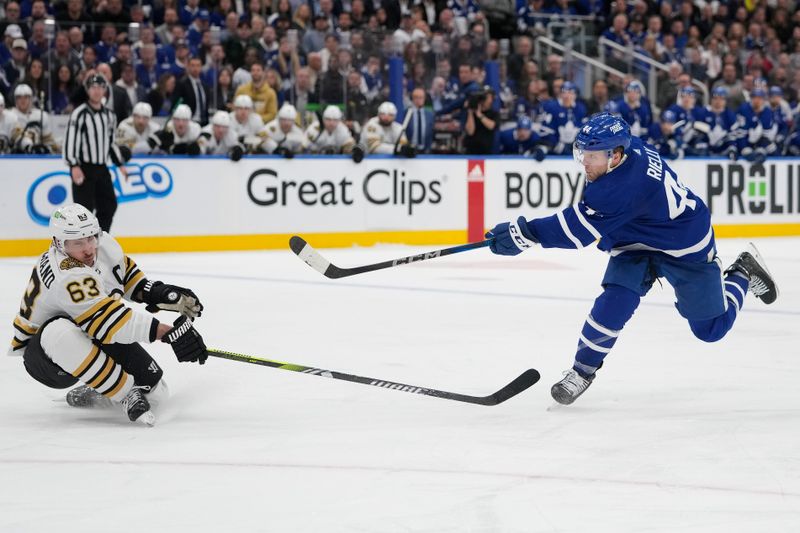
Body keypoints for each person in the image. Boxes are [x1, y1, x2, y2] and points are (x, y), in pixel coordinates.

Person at [485, 112, 779, 406]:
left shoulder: (621, 187)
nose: (584, 162)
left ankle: (742, 272)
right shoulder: (629, 149)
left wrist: (524, 233)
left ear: (614, 155)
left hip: (683, 243)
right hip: (636, 238)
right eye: (583, 153)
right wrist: (527, 233)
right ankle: (581, 371)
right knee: (616, 300)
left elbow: (575, 232)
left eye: (592, 155)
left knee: (711, 330)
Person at [10, 204, 207, 425]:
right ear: (58, 243)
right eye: (77, 242)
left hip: (90, 328)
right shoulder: (66, 274)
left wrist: (159, 293)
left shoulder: (102, 246)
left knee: (156, 395)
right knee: (60, 331)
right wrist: (166, 332)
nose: (88, 249)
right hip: (47, 359)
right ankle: (121, 392)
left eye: (91, 238)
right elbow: (108, 321)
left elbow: (126, 277)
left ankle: (98, 389)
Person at [63, 74, 131, 233]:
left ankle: (99, 238)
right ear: (87, 90)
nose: (97, 91)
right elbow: (71, 140)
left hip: (102, 168)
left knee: (109, 205)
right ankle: (81, 244)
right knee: (84, 211)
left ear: (105, 90)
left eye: (100, 87)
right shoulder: (79, 113)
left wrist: (119, 164)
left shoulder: (109, 115)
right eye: (93, 87)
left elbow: (110, 142)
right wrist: (74, 165)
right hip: (84, 168)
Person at [463, 86, 498, 155]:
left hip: (486, 152)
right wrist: (470, 112)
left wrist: (480, 115)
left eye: (487, 97)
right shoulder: (471, 113)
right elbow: (470, 131)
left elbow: (491, 126)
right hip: (470, 151)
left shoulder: (494, 114)